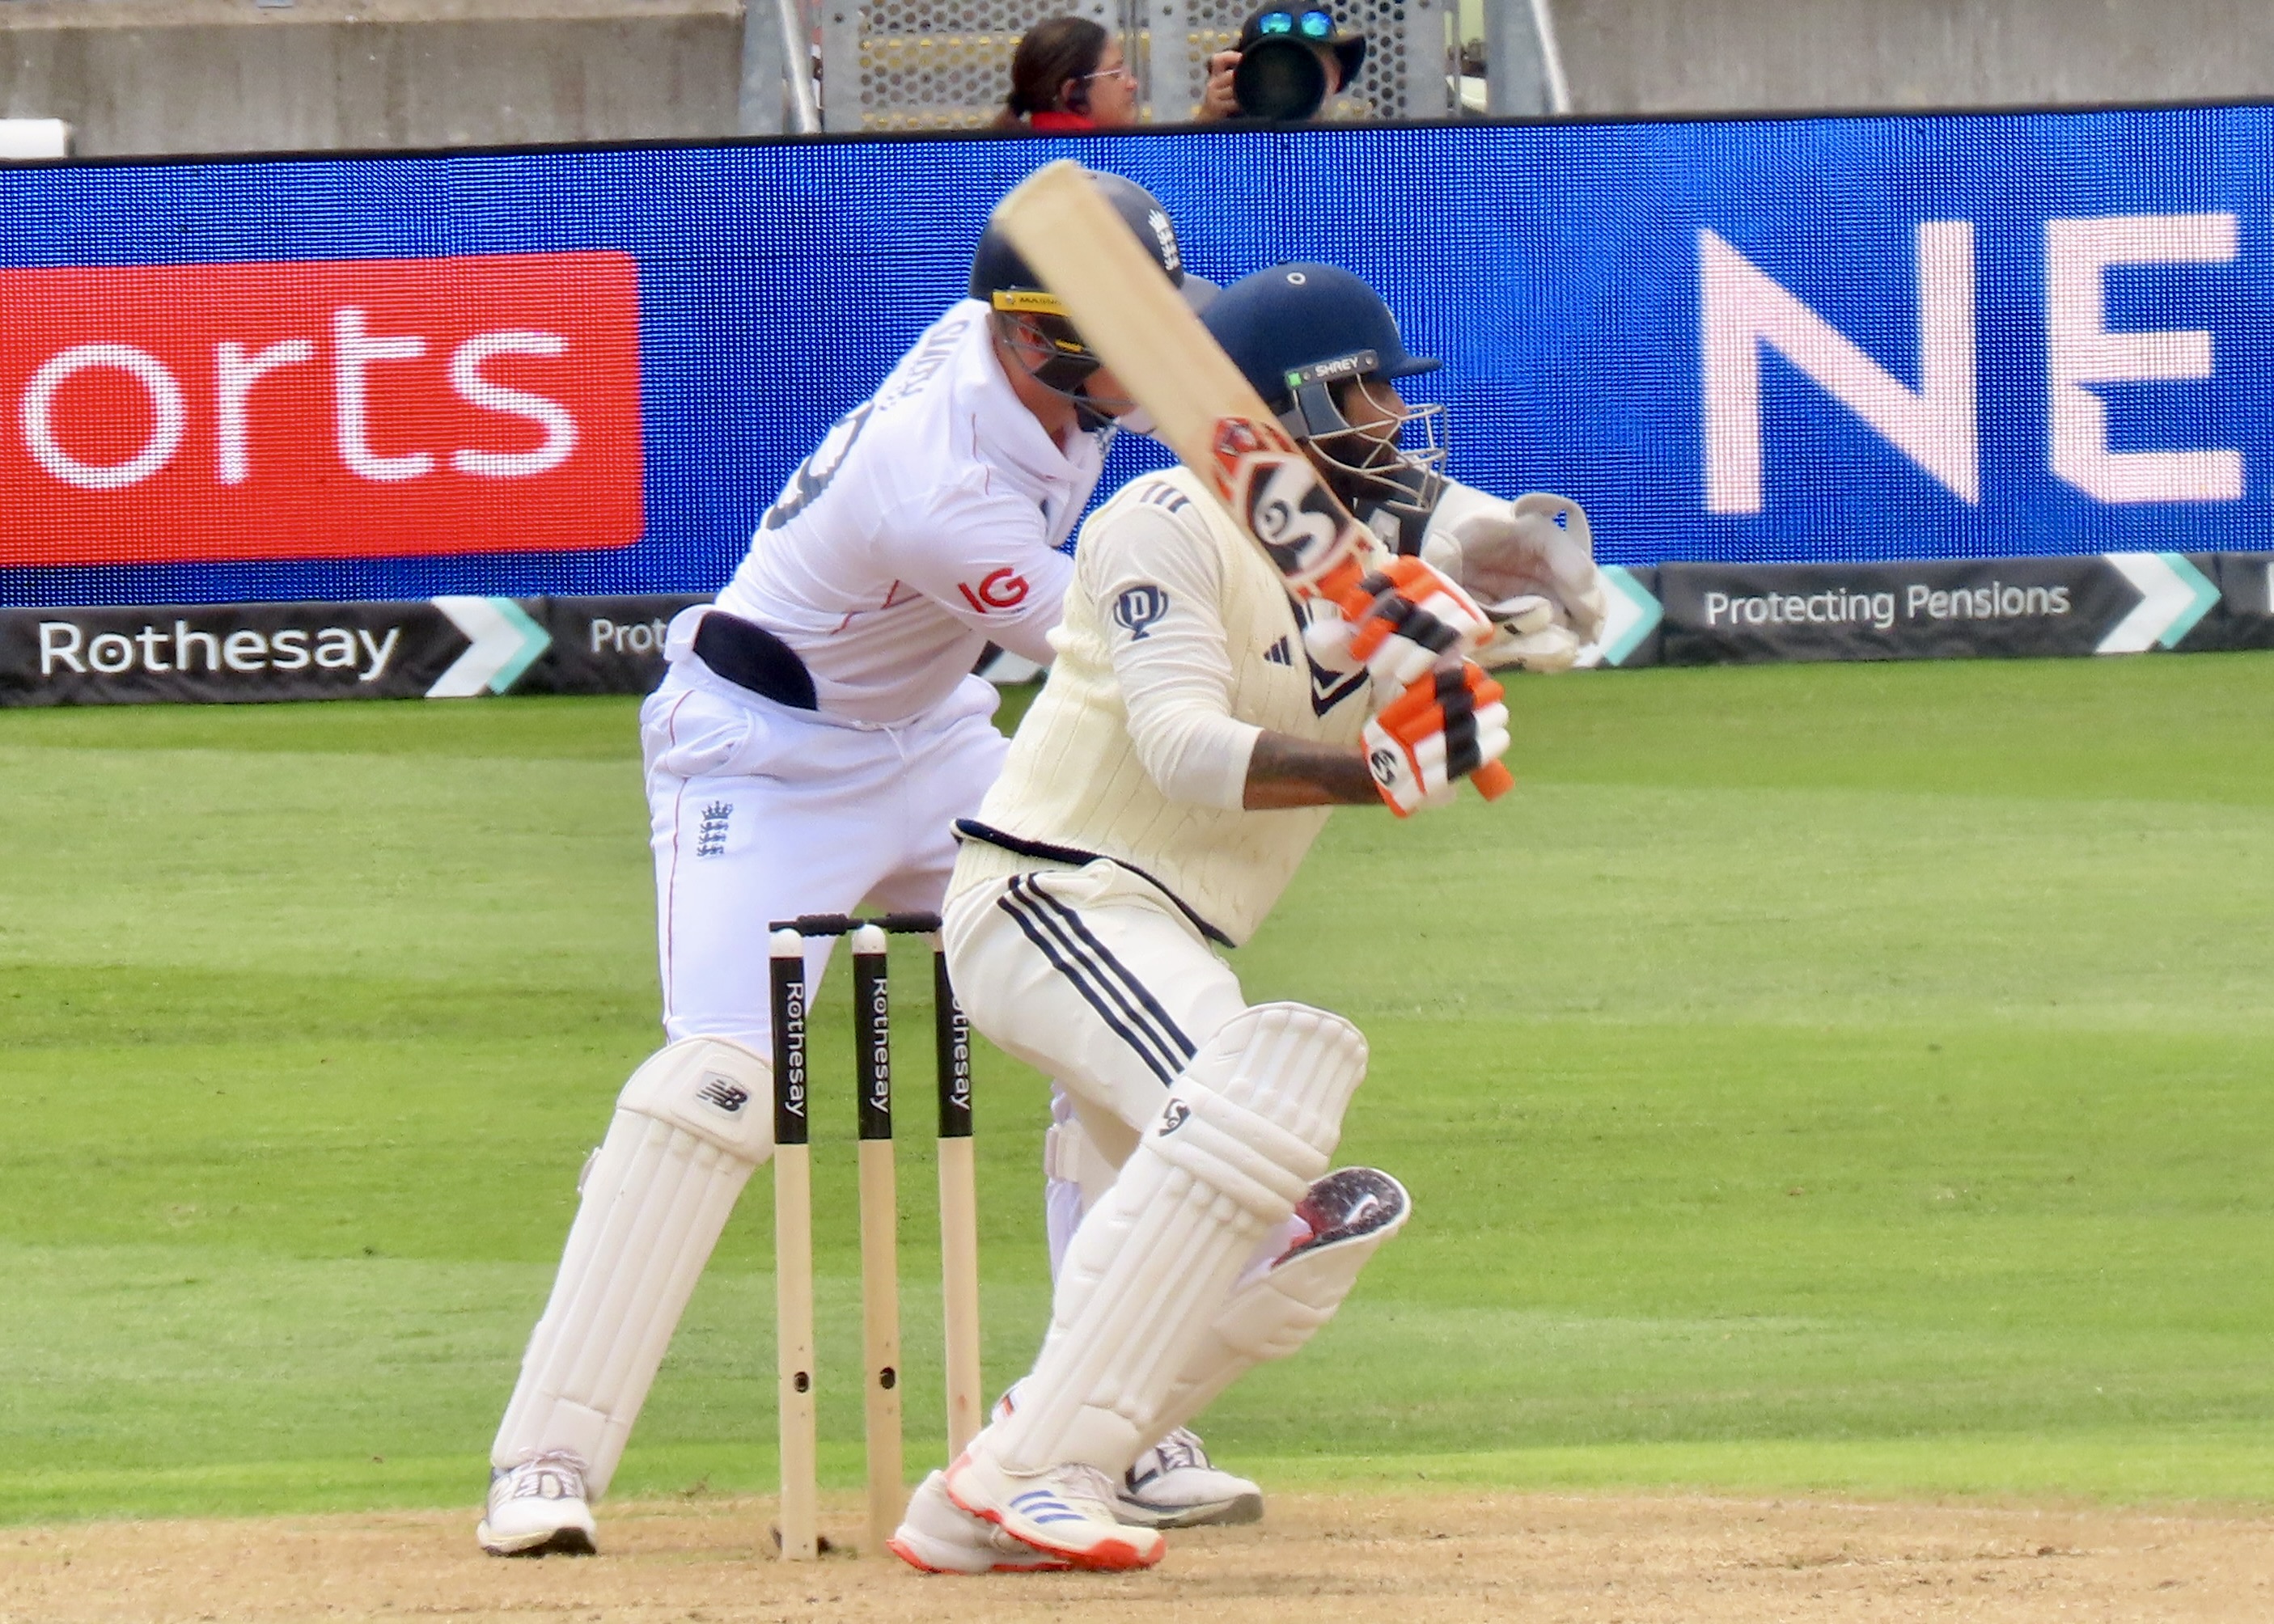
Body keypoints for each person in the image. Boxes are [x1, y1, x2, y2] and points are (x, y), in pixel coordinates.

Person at [474, 168, 1203, 1559]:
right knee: (716, 1089)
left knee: (1108, 1008)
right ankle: (545, 1460)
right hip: (761, 756)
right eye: (1126, 330)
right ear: (1034, 339)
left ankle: (1104, 1425)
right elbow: (1132, 646)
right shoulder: (936, 489)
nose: (1155, 356)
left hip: (935, 736)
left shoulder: (1028, 355)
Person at [886, 262, 1607, 1574]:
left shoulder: (1364, 563)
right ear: (1286, 406)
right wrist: (1376, 769)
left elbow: (1473, 604)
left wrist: (1501, 641)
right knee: (1250, 1133)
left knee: (1271, 1222)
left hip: (1163, 937)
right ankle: (1024, 1468)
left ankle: (1034, 1475)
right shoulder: (1162, 517)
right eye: (1365, 390)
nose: (1391, 416)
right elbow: (1179, 749)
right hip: (1056, 899)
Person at [1196, 4, 1367, 121]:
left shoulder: (1356, 153)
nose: (1289, 79)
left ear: (1336, 75)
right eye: (1274, 68)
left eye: (1306, 66)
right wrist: (1206, 126)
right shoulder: (1224, 150)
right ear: (1241, 77)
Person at [995, 18, 1141, 132]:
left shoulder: (1019, 151)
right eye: (1116, 74)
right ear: (1073, 91)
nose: (1133, 84)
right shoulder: (1097, 156)